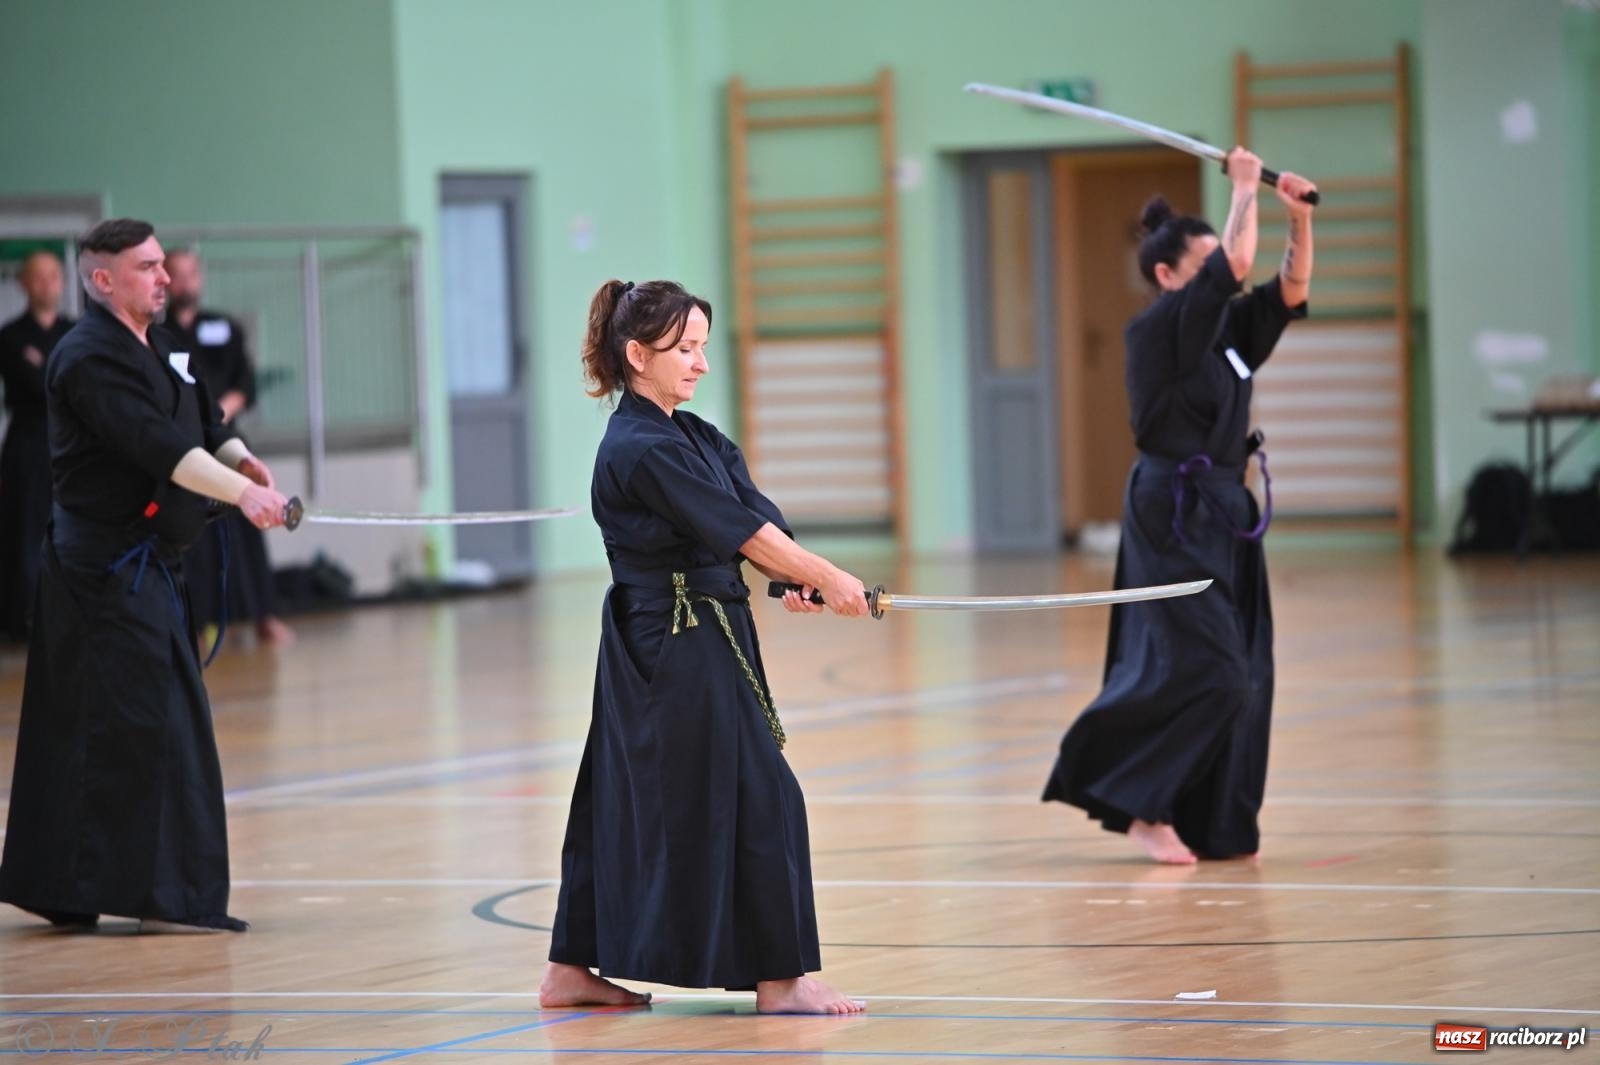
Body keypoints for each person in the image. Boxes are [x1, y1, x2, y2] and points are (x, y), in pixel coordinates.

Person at [540, 279, 870, 1015]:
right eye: (685, 349)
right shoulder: (639, 446)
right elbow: (742, 531)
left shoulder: (691, 435)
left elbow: (752, 519)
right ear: (637, 354)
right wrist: (825, 575)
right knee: (760, 788)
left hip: (695, 629)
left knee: (625, 792)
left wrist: (794, 575)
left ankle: (569, 967)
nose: (700, 364)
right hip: (672, 639)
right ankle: (781, 978)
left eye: (701, 348)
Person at [0, 219, 290, 933]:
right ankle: (158, 892)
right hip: (100, 573)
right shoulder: (85, 357)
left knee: (131, 721)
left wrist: (241, 456)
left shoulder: (159, 343)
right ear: (103, 280)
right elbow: (157, 445)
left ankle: (85, 884)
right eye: (148, 267)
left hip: (149, 565)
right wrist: (238, 492)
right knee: (139, 722)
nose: (165, 277)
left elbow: (201, 417)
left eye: (164, 265)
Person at [1042, 149, 1317, 864]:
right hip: (1172, 512)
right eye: (1205, 263)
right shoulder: (1158, 330)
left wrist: (1298, 218)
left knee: (1249, 673)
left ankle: (1216, 822)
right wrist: (1246, 191)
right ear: (1167, 275)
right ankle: (1135, 803)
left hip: (1227, 510)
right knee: (1212, 668)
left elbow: (1288, 289)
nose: (1224, 270)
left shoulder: (1228, 334)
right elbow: (1234, 259)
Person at [164, 247, 295, 649]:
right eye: (177, 275)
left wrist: (218, 414)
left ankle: (264, 616)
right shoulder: (159, 335)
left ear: (200, 278)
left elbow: (245, 382)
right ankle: (196, 623)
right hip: (184, 444)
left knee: (248, 525)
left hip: (225, 438)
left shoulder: (223, 327)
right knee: (193, 535)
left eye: (191, 274)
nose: (186, 282)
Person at [0, 251, 74, 641]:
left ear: (62, 282)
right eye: (38, 277)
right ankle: (26, 616)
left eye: (53, 276)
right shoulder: (10, 336)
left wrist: (43, 368)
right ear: (23, 283)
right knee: (27, 528)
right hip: (27, 442)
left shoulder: (77, 332)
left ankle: (72, 613)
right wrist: (51, 374)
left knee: (72, 526)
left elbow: (74, 385)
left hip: (70, 442)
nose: (46, 284)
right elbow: (38, 385)